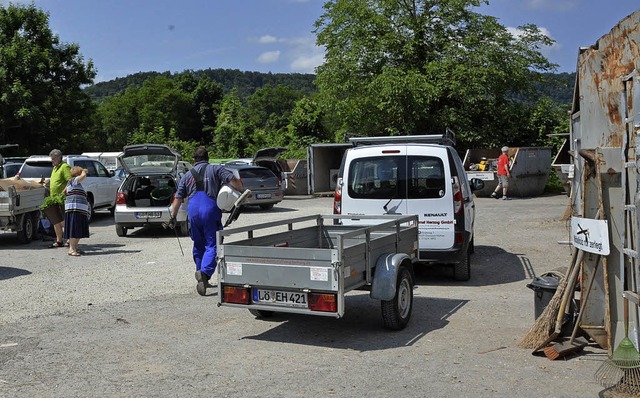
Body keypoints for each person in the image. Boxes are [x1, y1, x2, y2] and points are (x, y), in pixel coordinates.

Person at [169, 147, 242, 296]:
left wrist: (173, 216)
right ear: (208, 158)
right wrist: (242, 191)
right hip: (210, 209)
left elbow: (178, 198)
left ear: (194, 159)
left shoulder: (187, 175)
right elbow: (233, 180)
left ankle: (200, 272)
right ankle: (204, 273)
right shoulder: (216, 169)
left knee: (198, 244)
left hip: (193, 211)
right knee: (213, 244)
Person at [63, 166, 90, 256]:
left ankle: (74, 248)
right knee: (74, 230)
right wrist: (83, 170)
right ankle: (72, 249)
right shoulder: (73, 181)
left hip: (79, 210)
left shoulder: (75, 183)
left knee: (77, 230)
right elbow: (83, 176)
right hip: (75, 209)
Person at [47, 149, 72, 248]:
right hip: (54, 199)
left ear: (59, 158)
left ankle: (70, 239)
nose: (51, 161)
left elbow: (70, 181)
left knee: (63, 220)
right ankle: (59, 241)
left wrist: (64, 192)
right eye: (51, 159)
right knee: (55, 220)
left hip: (62, 199)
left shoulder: (64, 167)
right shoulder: (55, 168)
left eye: (53, 159)